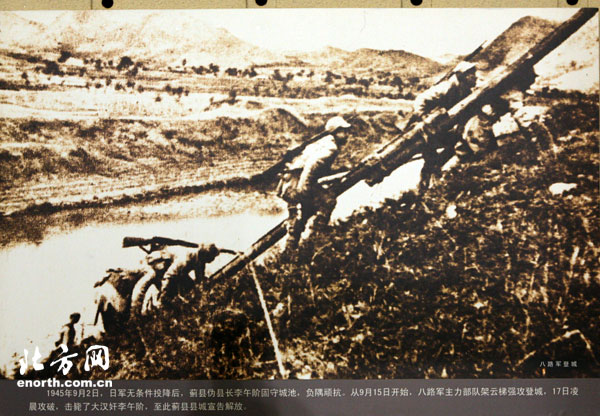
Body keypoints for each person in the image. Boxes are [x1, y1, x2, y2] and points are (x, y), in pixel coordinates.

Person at [276, 116, 351, 248]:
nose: (347, 135)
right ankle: (316, 238)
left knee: (297, 220)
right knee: (328, 201)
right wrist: (303, 191)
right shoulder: (331, 148)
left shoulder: (322, 143)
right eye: (343, 132)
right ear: (335, 132)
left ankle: (291, 250)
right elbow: (311, 166)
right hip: (297, 185)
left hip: (290, 183)